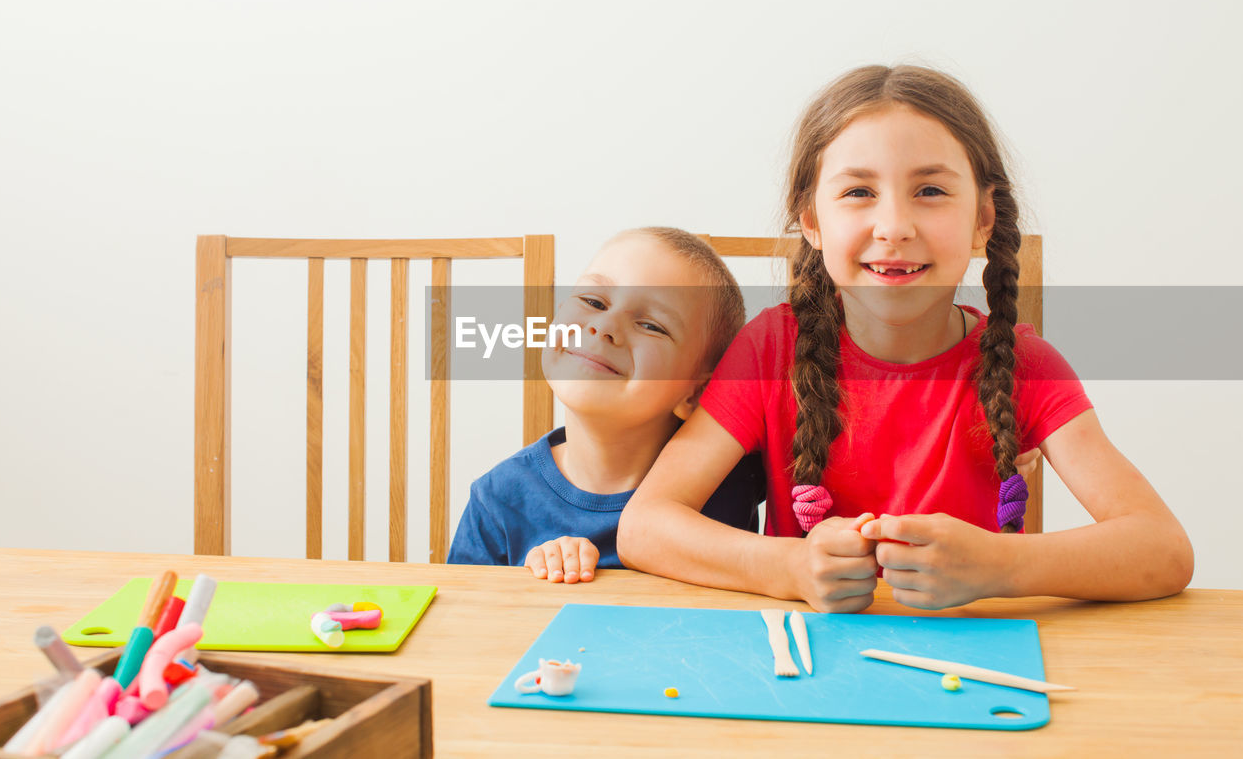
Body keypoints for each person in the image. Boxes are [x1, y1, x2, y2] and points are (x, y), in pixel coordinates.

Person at [617, 64, 1193, 611]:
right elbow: (646, 526)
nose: (894, 227)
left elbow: (1163, 549)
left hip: (972, 666)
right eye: (858, 192)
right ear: (811, 222)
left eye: (931, 191)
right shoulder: (771, 349)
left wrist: (1002, 566)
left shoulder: (1026, 366)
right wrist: (790, 568)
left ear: (983, 220)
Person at [448, 227, 764, 582]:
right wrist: (532, 582)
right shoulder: (498, 500)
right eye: (593, 302)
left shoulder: (734, 474)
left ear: (696, 393)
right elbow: (459, 623)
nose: (604, 326)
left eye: (650, 325)